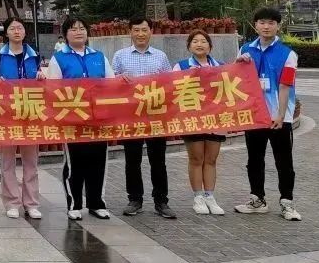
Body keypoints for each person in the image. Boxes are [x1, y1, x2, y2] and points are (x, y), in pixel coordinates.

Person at [234, 8, 301, 221]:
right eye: (262, 22)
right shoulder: (245, 49)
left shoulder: (288, 54)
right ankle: (257, 199)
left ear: (278, 26)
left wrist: (280, 115)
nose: (266, 26)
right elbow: (237, 80)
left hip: (278, 117)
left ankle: (287, 203)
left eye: (271, 23)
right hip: (254, 116)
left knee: (284, 161)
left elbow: (285, 86)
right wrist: (239, 64)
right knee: (254, 159)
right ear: (255, 25)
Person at [47, 16, 115, 221]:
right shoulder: (59, 58)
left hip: (98, 119)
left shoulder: (98, 56)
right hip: (72, 120)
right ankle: (74, 204)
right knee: (75, 164)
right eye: (73, 29)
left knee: (98, 162)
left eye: (82, 28)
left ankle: (96, 203)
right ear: (66, 34)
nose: (78, 32)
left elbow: (111, 83)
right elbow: (53, 89)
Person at [112, 16, 176, 219]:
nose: (140, 34)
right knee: (132, 160)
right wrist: (118, 79)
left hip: (155, 116)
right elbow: (110, 84)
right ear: (130, 32)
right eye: (136, 30)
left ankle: (161, 201)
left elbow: (170, 83)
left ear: (151, 32)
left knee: (158, 160)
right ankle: (135, 199)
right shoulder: (120, 56)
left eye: (144, 30)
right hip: (130, 117)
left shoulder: (160, 56)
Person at [0, 16, 43, 220]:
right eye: (12, 28)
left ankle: (31, 203)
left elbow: (41, 82)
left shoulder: (35, 55)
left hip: (30, 114)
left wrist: (41, 78)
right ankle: (12, 202)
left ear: (25, 32)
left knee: (31, 162)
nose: (17, 31)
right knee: (8, 162)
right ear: (6, 33)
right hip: (7, 115)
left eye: (20, 28)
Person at [171, 30, 227, 216]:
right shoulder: (181, 66)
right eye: (195, 41)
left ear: (210, 46)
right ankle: (198, 197)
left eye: (204, 41)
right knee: (196, 159)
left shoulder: (221, 66)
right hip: (192, 119)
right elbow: (172, 90)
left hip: (215, 119)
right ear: (189, 46)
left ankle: (210, 196)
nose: (199, 44)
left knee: (211, 159)